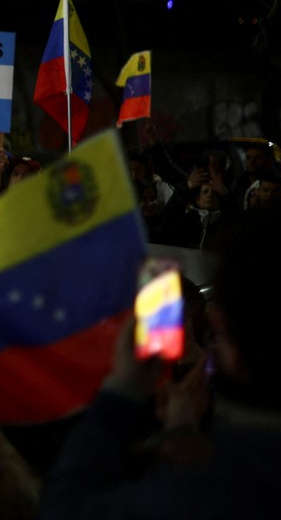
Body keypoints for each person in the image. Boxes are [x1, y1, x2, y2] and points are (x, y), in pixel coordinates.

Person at [37, 207, 281, 520]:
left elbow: (65, 508)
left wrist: (122, 390)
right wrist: (182, 431)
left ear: (218, 328)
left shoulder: (209, 492)